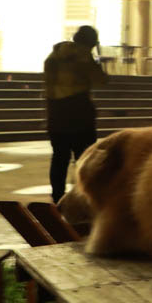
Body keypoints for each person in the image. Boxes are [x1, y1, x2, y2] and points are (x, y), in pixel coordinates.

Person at [44, 25, 107, 203]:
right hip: (79, 116)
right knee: (84, 159)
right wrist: (97, 61)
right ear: (91, 42)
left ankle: (57, 197)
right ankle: (82, 197)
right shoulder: (83, 57)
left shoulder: (53, 56)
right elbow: (101, 79)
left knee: (59, 158)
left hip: (56, 114)